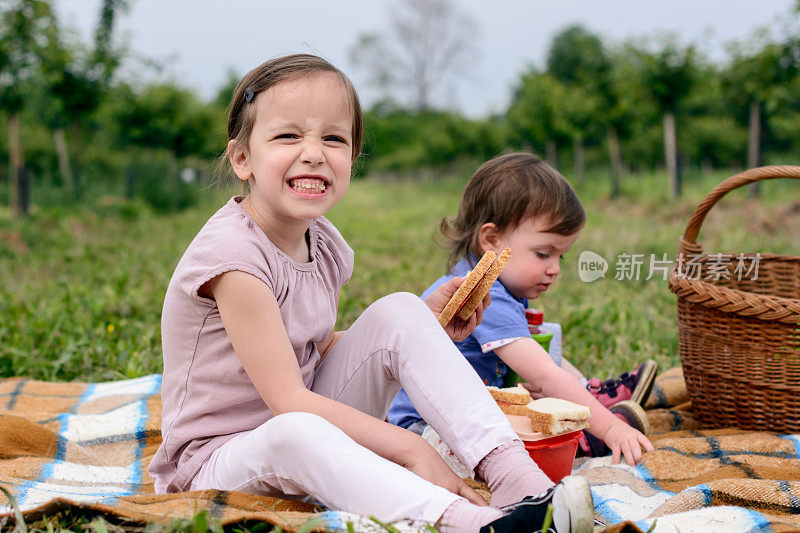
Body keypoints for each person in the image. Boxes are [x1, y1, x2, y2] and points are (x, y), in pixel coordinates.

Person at [147, 55, 595, 533]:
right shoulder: (234, 259)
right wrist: (412, 449)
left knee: (401, 309)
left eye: (334, 138)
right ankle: (471, 524)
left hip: (302, 426)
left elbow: (311, 351)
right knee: (297, 430)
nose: (314, 153)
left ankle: (520, 485)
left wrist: (425, 323)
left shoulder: (322, 244)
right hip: (218, 460)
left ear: (352, 160)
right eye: (288, 136)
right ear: (242, 159)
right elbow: (289, 401)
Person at [388, 153, 655, 466]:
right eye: (543, 254)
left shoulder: (503, 287)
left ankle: (587, 405)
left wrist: (581, 389)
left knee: (530, 408)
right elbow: (545, 376)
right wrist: (610, 427)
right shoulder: (481, 292)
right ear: (492, 240)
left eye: (561, 257)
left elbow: (545, 361)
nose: (554, 269)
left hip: (459, 420)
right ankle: (580, 439)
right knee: (515, 445)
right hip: (425, 434)